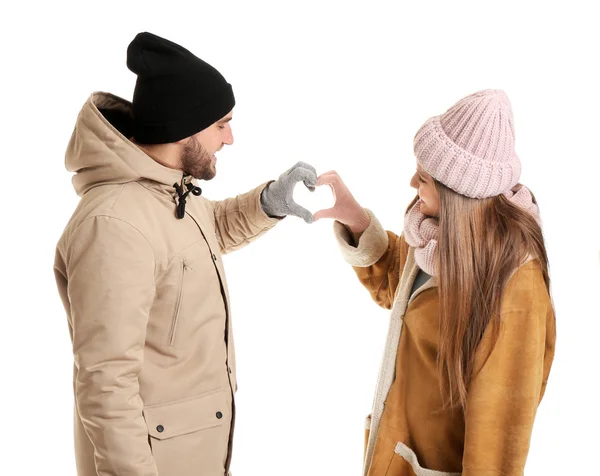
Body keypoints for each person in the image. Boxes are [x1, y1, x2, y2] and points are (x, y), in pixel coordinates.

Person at [53, 32, 316, 476]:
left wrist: (269, 202)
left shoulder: (168, 189)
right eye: (221, 124)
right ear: (183, 127)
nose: (229, 138)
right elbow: (105, 386)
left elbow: (205, 229)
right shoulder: (114, 226)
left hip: (194, 453)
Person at [314, 89, 556, 475]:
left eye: (423, 177)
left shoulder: (514, 285)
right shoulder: (435, 236)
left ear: (455, 190)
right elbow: (408, 297)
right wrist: (356, 219)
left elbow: (499, 438)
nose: (412, 182)